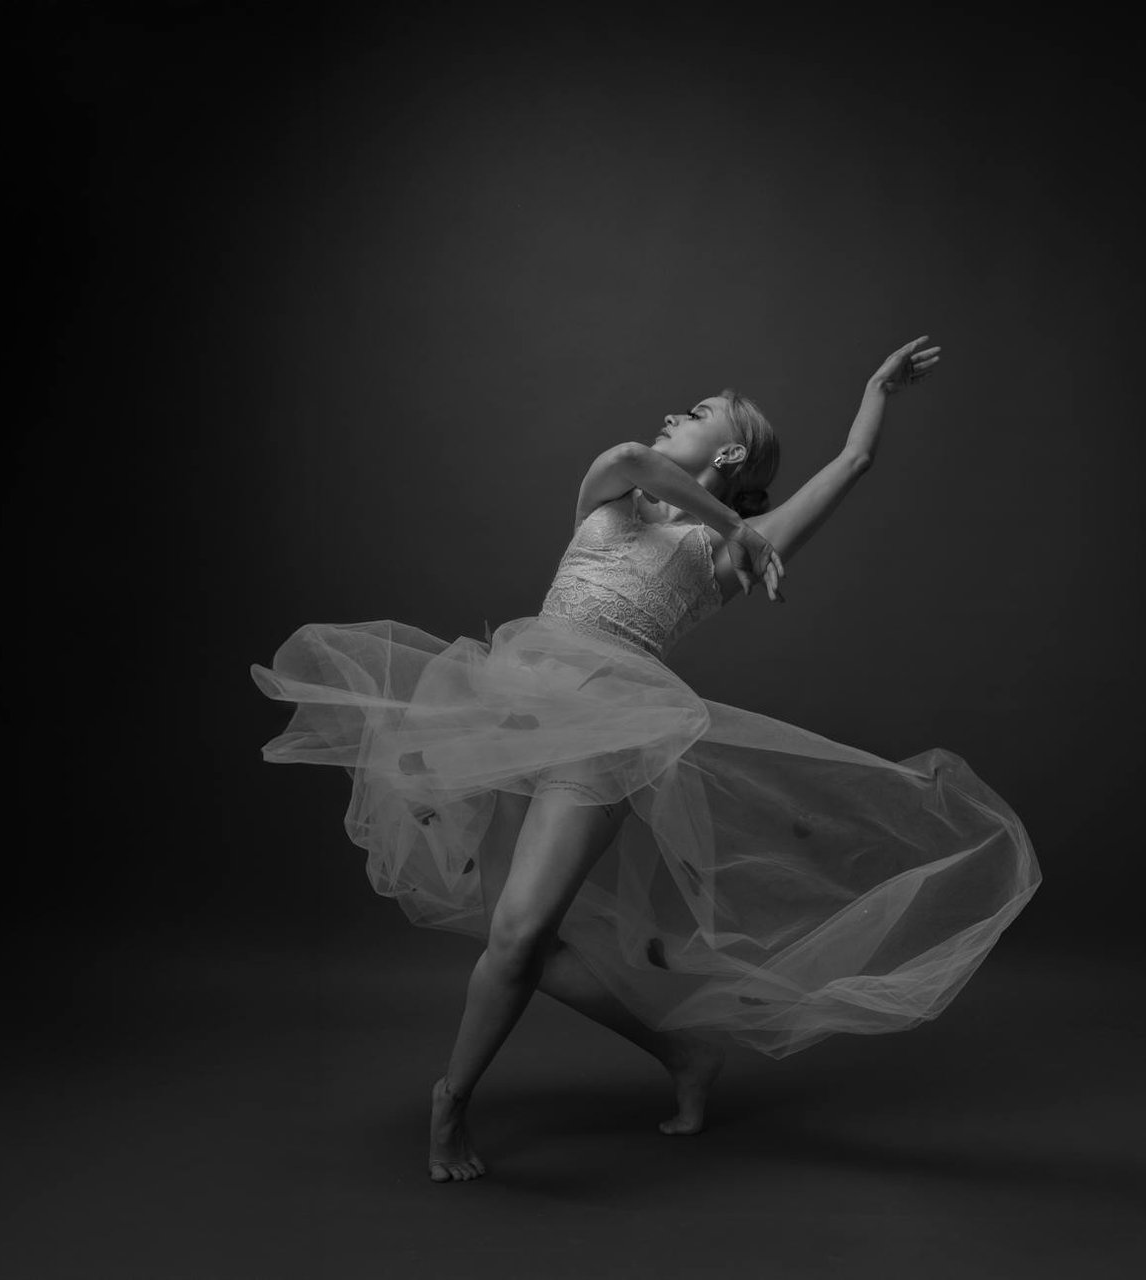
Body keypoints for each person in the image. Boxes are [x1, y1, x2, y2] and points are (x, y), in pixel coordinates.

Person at [251, 336, 1041, 1183]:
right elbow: (631, 455)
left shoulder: (732, 555)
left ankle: (452, 1099)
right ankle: (684, 1053)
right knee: (516, 936)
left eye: (697, 414)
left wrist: (877, 391)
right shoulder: (619, 491)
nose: (671, 414)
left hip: (608, 732)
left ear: (729, 454)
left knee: (518, 934)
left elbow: (852, 462)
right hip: (513, 715)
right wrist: (738, 523)